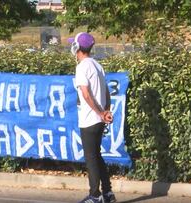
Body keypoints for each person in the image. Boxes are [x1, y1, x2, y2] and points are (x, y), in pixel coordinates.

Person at [70, 32, 116, 203]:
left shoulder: (82, 67)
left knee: (91, 158)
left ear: (77, 47)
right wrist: (106, 111)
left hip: (90, 119)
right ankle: (108, 193)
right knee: (96, 155)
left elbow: (86, 93)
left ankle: (95, 195)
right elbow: (106, 92)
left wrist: (100, 113)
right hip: (98, 119)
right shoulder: (97, 65)